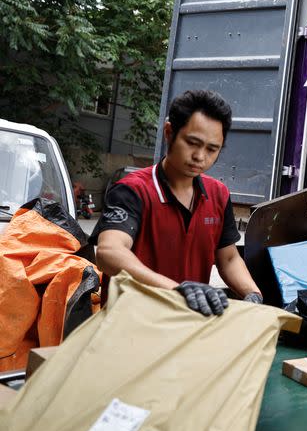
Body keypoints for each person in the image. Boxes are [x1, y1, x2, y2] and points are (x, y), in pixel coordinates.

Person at [92, 90, 262, 316]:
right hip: (130, 327)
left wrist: (252, 293)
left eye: (212, 149)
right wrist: (177, 291)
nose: (200, 156)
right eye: (192, 143)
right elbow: (109, 253)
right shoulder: (133, 190)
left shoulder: (218, 194)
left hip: (189, 326)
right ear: (169, 132)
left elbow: (229, 258)